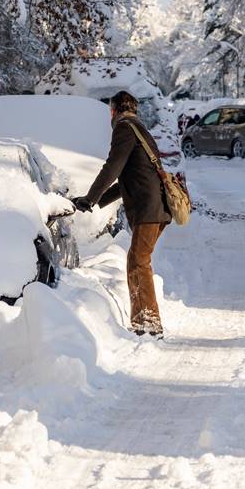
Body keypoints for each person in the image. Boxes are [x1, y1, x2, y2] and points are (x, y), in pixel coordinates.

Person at [71, 91, 170, 337]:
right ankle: (141, 323)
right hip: (154, 207)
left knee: (139, 262)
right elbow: (125, 178)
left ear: (113, 110)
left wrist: (90, 197)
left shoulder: (125, 128)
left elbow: (112, 168)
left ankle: (150, 325)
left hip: (150, 208)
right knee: (135, 262)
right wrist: (93, 201)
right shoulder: (137, 128)